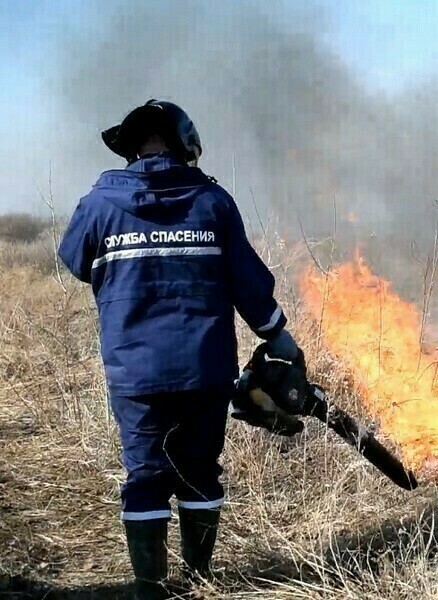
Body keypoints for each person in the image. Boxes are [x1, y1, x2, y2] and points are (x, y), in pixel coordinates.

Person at [57, 99, 301, 599]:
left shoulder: (99, 204)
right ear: (182, 141)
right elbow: (248, 285)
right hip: (205, 370)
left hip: (135, 375)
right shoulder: (212, 203)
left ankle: (150, 590)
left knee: (145, 476)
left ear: (131, 148)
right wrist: (278, 336)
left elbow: (75, 262)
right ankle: (198, 583)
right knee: (199, 474)